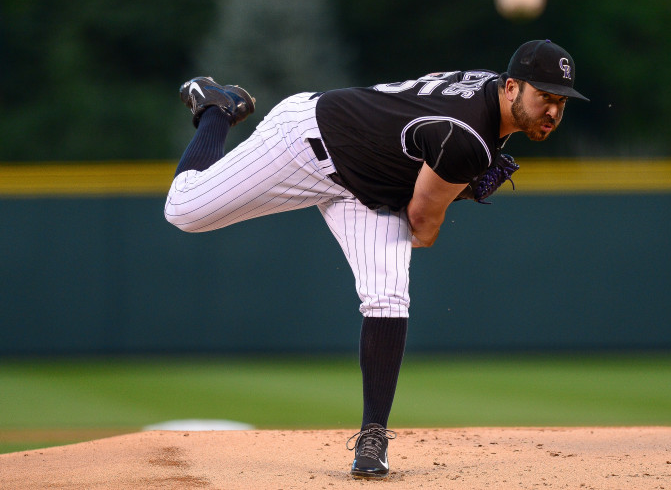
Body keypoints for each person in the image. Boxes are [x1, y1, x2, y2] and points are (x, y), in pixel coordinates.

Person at [164, 39, 588, 479]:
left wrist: (448, 183)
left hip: (368, 187)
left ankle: (372, 436)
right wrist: (443, 205)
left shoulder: (486, 92)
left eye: (561, 101)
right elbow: (422, 220)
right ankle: (216, 108)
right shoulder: (470, 138)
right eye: (545, 97)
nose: (553, 112)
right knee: (184, 209)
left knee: (388, 298)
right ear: (513, 87)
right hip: (307, 141)